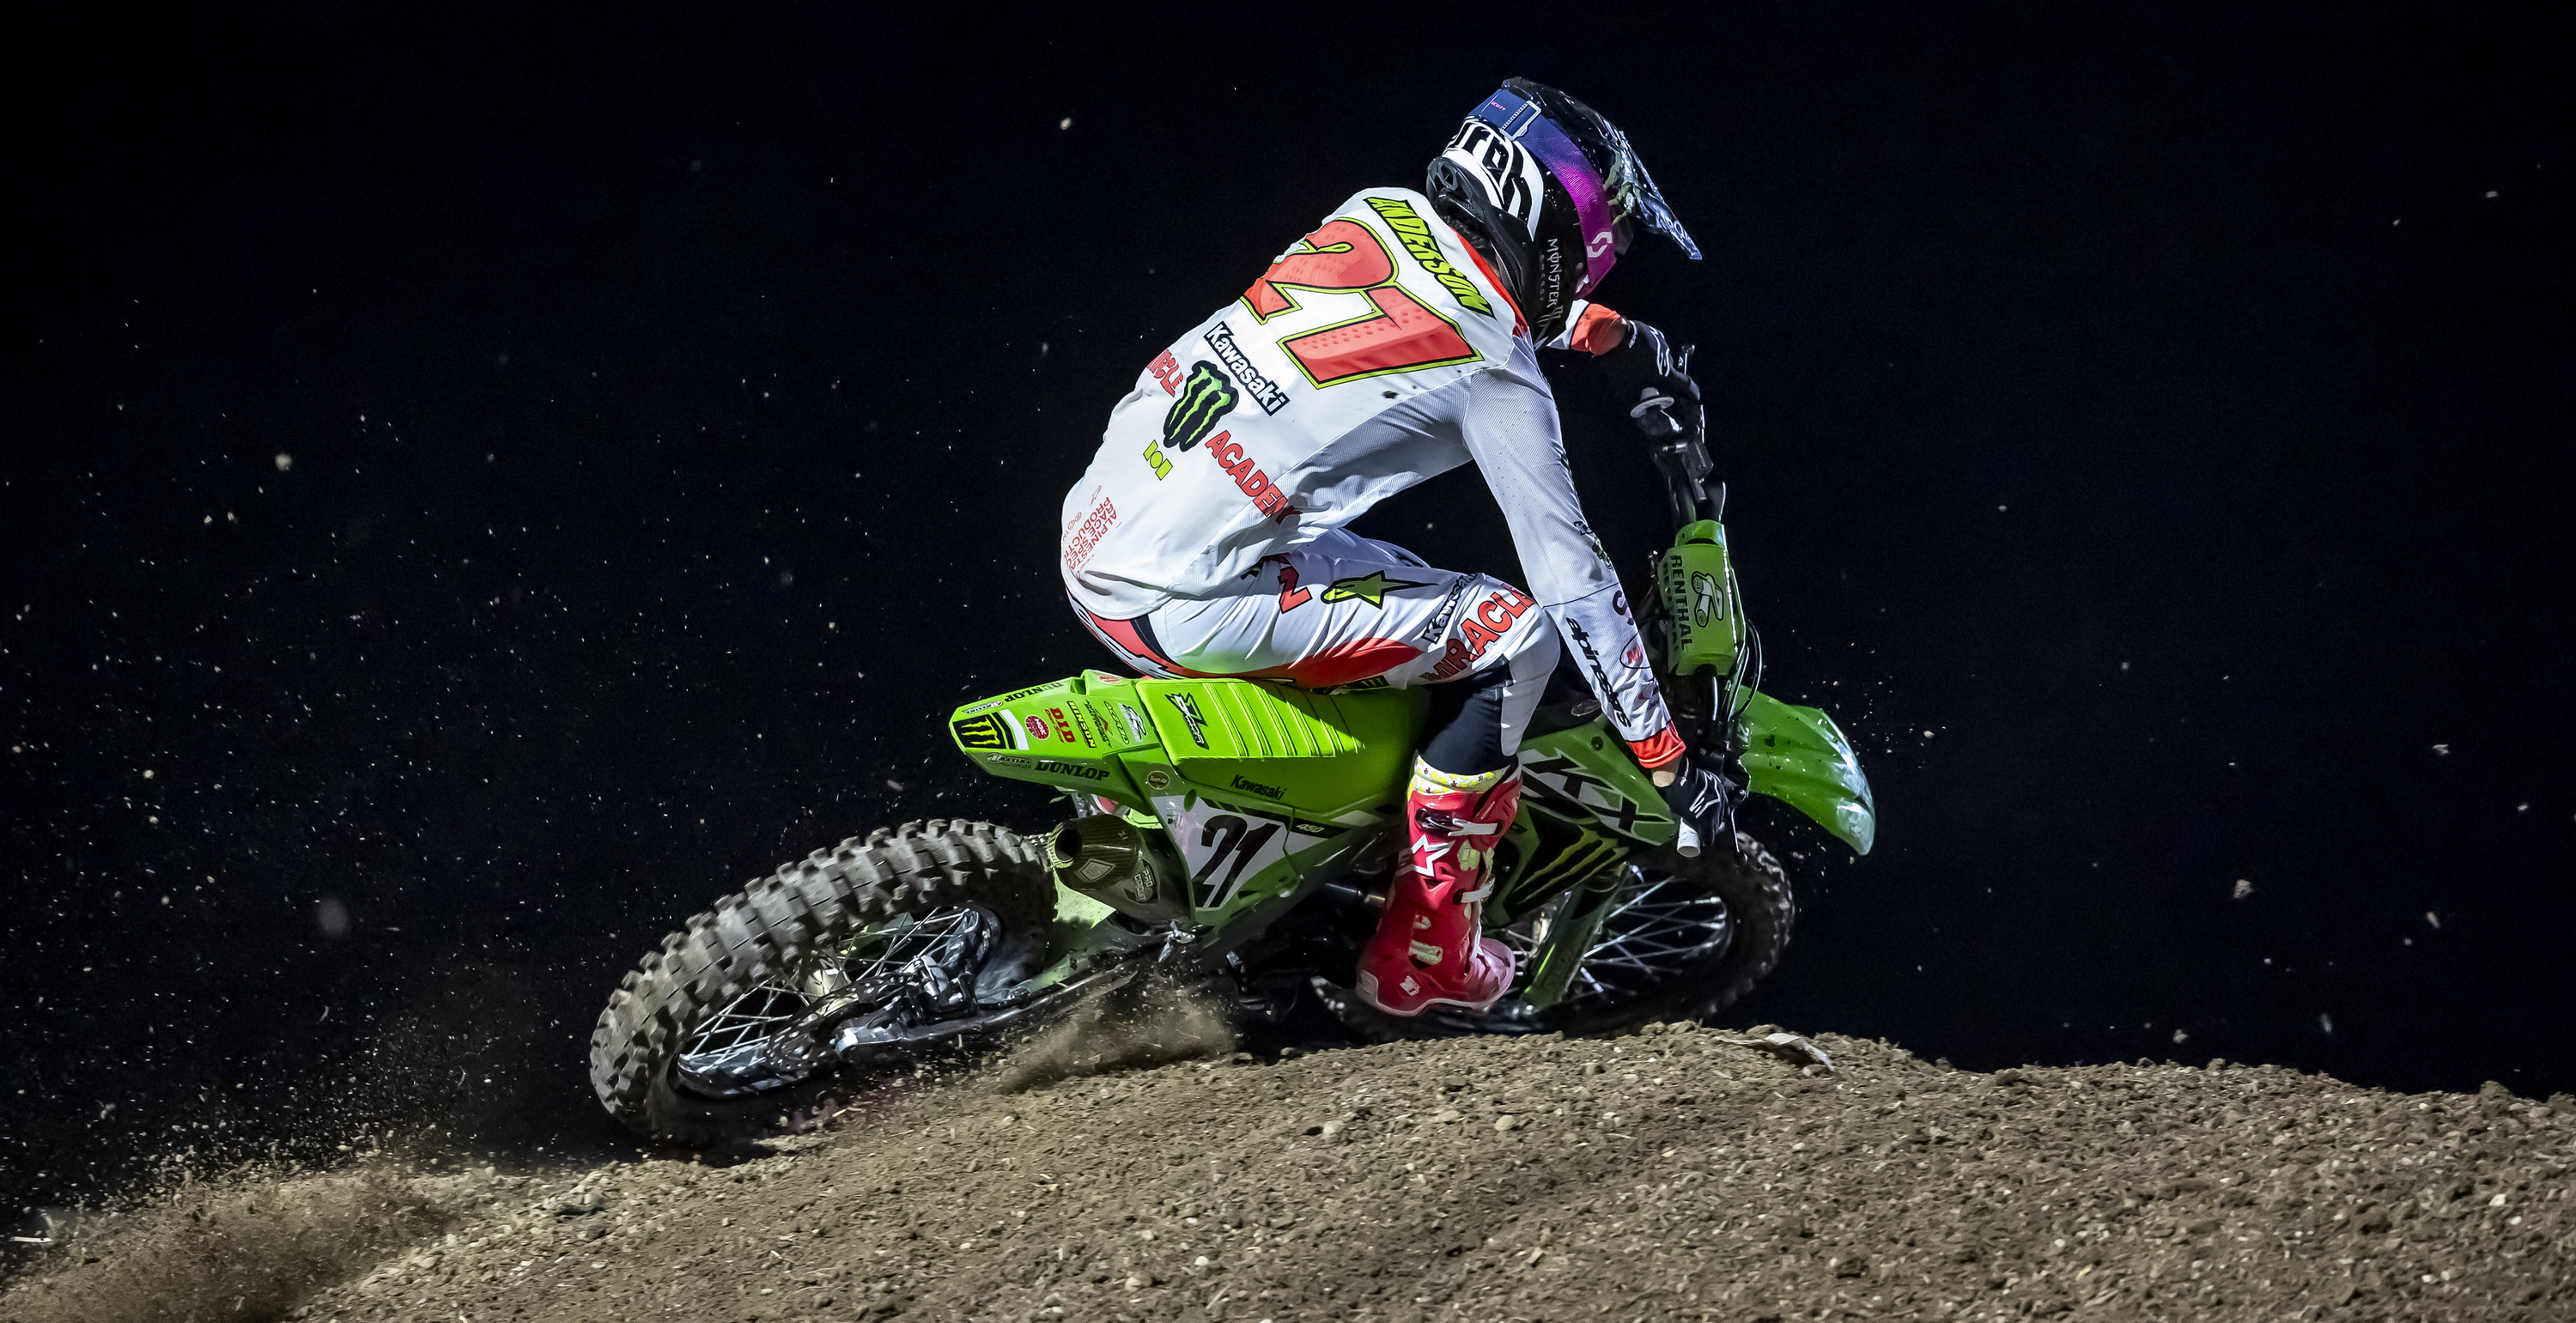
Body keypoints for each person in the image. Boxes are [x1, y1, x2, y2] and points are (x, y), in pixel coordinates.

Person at [1056, 78, 1731, 1017]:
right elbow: (1573, 578)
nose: (1587, 279)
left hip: (1103, 516)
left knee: (1401, 578)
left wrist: (1605, 334)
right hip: (1184, 595)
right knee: (1517, 633)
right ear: (1553, 222)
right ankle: (1425, 952)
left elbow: (1421, 296)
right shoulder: (1499, 373)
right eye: (1593, 258)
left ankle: (1262, 822)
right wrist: (1667, 760)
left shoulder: (1375, 214)